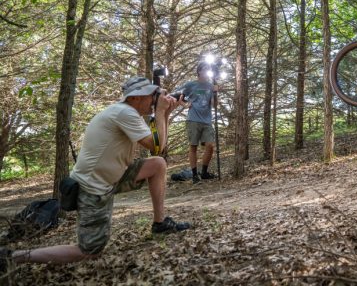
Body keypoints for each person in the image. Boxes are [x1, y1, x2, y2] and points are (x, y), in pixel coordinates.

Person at [1, 77, 190, 273]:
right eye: (151, 95)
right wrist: (160, 111)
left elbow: (158, 147)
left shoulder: (126, 111)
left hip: (113, 177)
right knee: (89, 251)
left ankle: (160, 224)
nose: (153, 100)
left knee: (158, 164)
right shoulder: (124, 113)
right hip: (93, 189)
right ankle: (14, 257)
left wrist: (165, 113)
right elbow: (156, 146)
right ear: (134, 98)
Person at [171, 62, 219, 183]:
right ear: (199, 72)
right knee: (193, 147)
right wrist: (185, 105)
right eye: (205, 69)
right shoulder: (191, 85)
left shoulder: (210, 86)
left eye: (208, 69)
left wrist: (215, 92)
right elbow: (179, 97)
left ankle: (204, 172)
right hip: (193, 119)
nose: (207, 72)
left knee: (210, 146)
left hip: (207, 120)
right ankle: (194, 175)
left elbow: (214, 105)